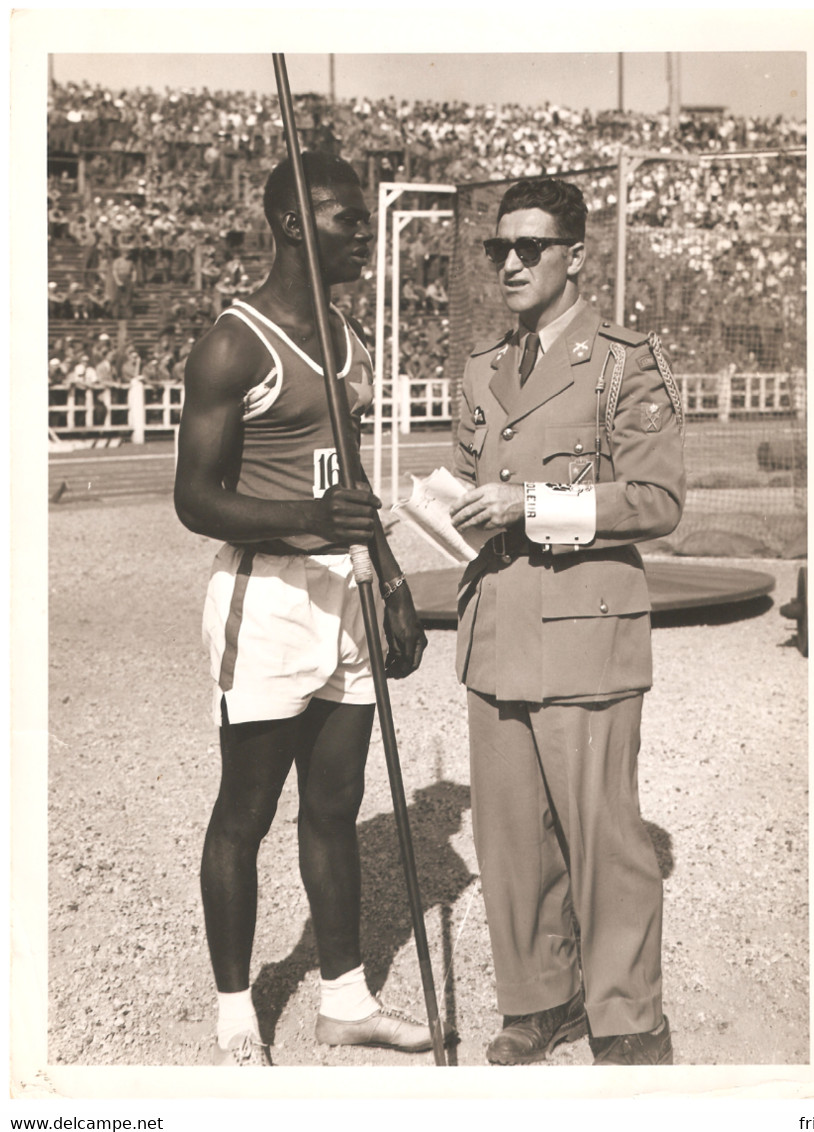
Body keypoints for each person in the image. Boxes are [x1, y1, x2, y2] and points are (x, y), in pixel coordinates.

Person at [174, 151, 436, 1067]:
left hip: (349, 591)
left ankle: (344, 1001)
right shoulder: (234, 342)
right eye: (345, 218)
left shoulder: (347, 333)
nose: (365, 231)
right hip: (268, 592)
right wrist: (308, 519)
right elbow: (196, 500)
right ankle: (237, 1013)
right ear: (294, 224)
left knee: (335, 805)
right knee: (243, 812)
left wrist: (393, 578)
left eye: (363, 218)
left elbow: (354, 486)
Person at [450, 177, 686, 1066]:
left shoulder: (624, 360)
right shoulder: (483, 367)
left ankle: (628, 1020)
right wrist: (453, 510)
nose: (508, 263)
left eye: (530, 248)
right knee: (510, 839)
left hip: (586, 631)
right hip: (497, 630)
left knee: (603, 838)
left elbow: (658, 498)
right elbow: (479, 486)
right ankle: (538, 1000)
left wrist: (530, 504)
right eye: (497, 248)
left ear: (575, 255)